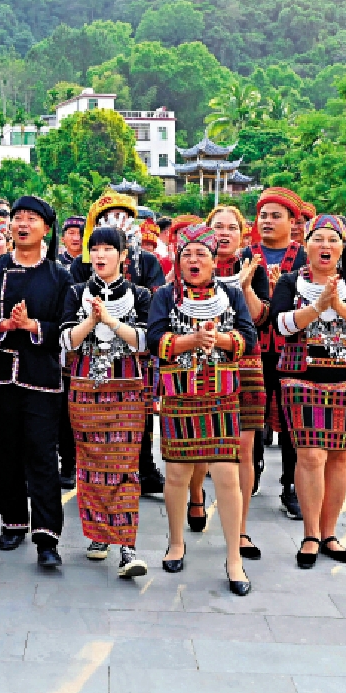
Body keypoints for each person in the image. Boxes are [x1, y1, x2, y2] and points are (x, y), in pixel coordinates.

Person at [146, 223, 257, 597]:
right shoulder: (165, 295)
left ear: (214, 260)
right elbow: (154, 339)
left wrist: (222, 339)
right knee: (176, 473)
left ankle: (233, 558)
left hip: (222, 396)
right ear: (178, 259)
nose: (194, 259)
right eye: (187, 253)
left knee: (227, 475)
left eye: (202, 254)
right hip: (179, 395)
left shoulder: (230, 293)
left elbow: (249, 338)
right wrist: (189, 341)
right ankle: (176, 541)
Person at [271, 215, 346, 569]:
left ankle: (330, 533)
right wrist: (317, 307)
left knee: (339, 458)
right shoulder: (290, 283)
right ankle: (310, 533)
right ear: (306, 245)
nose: (325, 246)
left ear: (343, 247)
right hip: (301, 377)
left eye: (333, 240)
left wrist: (339, 306)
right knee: (311, 456)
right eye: (318, 239)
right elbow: (282, 325)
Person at [0, 196, 71, 567]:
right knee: (4, 451)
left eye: (31, 219)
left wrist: (32, 327)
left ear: (46, 228)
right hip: (0, 376)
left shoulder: (60, 276)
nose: (22, 224)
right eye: (17, 218)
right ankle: (13, 520)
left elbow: (67, 325)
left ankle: (47, 536)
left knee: (42, 455)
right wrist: (4, 325)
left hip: (42, 376)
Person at [61, 226, 153, 578]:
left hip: (128, 389)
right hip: (85, 389)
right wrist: (91, 319)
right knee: (90, 460)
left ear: (122, 255)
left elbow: (143, 342)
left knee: (126, 463)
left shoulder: (140, 295)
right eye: (94, 249)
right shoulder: (75, 292)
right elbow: (67, 341)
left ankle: (127, 547)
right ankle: (99, 534)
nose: (100, 256)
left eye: (107, 249)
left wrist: (110, 320)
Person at [72, 191, 168, 497]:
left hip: (132, 350)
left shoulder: (148, 261)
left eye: (125, 218)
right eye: (110, 218)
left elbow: (156, 300)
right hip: (91, 352)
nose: (120, 222)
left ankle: (144, 465)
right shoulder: (80, 266)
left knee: (138, 414)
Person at [206, 206, 268, 559]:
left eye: (232, 228)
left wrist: (244, 286)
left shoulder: (252, 266)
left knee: (244, 448)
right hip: (201, 363)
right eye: (218, 227)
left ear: (243, 235)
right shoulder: (194, 261)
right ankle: (197, 500)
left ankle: (240, 529)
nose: (224, 234)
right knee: (201, 446)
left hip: (245, 362)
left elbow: (259, 317)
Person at [248, 187, 309, 522]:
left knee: (290, 419)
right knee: (253, 413)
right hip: (254, 349)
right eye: (263, 216)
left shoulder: (305, 257)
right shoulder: (248, 256)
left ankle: (291, 485)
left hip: (292, 349)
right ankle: (253, 468)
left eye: (275, 216)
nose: (267, 222)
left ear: (292, 221)